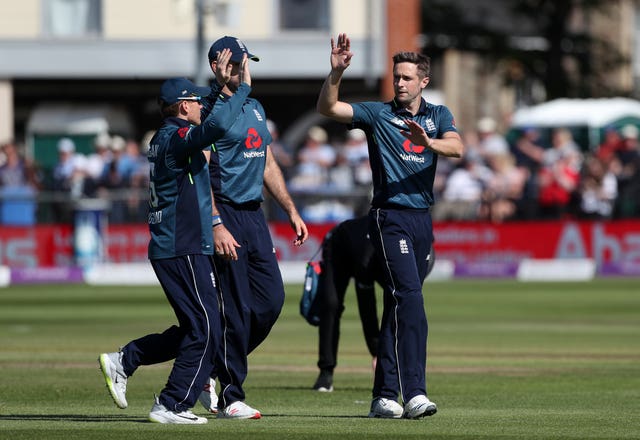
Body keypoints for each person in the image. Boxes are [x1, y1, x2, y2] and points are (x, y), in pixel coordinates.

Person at [98, 47, 250, 424]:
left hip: (181, 244)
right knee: (206, 328)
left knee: (195, 328)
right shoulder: (176, 137)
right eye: (196, 102)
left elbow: (208, 118)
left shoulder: (171, 133)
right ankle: (171, 404)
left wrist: (219, 85)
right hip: (180, 246)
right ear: (183, 107)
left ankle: (125, 360)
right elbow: (214, 127)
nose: (202, 106)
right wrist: (241, 90)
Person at [316, 33, 464, 419]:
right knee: (411, 299)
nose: (399, 83)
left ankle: (383, 396)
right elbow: (328, 108)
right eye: (396, 77)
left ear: (423, 82)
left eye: (406, 78)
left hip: (422, 222)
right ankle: (414, 392)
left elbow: (458, 147)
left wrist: (428, 142)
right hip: (389, 218)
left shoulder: (438, 115)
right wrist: (336, 72)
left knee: (398, 305)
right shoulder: (377, 114)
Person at [201, 35, 308, 420]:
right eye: (239, 64)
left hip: (254, 215)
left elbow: (266, 163)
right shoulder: (208, 109)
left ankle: (211, 368)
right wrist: (214, 223)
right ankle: (231, 396)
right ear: (221, 66)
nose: (247, 71)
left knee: (271, 300)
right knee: (234, 306)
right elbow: (199, 171)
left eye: (248, 63)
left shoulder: (256, 106)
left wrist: (291, 209)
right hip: (224, 213)